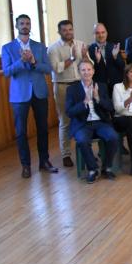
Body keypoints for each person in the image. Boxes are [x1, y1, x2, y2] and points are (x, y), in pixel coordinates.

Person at [1, 14, 55, 178]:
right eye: (22, 23)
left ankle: (44, 161)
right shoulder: (8, 48)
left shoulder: (39, 47)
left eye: (28, 23)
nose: (25, 26)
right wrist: (21, 61)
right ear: (16, 26)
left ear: (31, 26)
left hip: (39, 92)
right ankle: (26, 165)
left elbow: (48, 69)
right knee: (21, 132)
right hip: (19, 95)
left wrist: (33, 62)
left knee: (43, 128)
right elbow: (7, 71)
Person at [66, 59, 120, 183]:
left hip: (100, 122)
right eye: (83, 70)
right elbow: (69, 112)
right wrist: (83, 103)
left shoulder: (101, 86)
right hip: (82, 124)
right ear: (79, 72)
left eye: (89, 69)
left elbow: (110, 107)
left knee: (113, 137)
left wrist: (98, 98)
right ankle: (93, 169)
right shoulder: (72, 89)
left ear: (93, 71)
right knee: (82, 140)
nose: (86, 72)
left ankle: (106, 167)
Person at [48, 19, 87, 168]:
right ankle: (66, 154)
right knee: (65, 120)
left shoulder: (80, 44)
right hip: (62, 86)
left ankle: (85, 151)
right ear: (59, 32)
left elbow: (89, 65)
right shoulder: (53, 49)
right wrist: (71, 59)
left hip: (80, 84)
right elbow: (57, 68)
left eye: (70, 29)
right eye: (64, 30)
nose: (68, 32)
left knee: (83, 117)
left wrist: (83, 56)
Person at [88, 22, 124, 92]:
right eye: (97, 33)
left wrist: (115, 56)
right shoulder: (89, 49)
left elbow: (122, 66)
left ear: (106, 33)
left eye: (103, 32)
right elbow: (89, 70)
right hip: (99, 85)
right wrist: (97, 61)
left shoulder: (114, 46)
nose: (101, 35)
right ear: (93, 35)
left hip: (116, 84)